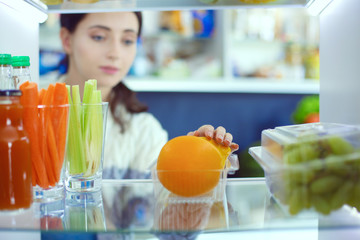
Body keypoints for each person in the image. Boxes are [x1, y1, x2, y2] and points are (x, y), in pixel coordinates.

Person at [59, 12, 239, 179]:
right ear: (67, 40)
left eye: (128, 41)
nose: (115, 53)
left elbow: (162, 204)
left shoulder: (145, 131)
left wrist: (194, 162)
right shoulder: (35, 112)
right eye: (98, 37)